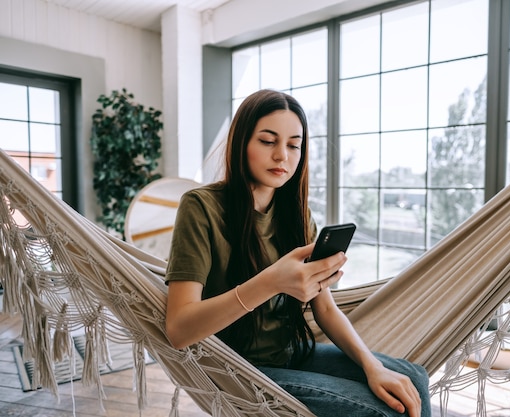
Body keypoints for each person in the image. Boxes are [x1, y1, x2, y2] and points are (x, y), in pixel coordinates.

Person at [164, 89, 431, 417]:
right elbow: (178, 329)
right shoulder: (201, 207)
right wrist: (271, 282)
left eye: (293, 145)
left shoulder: (297, 215)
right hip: (237, 369)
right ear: (241, 142)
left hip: (291, 353)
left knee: (414, 379)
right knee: (382, 410)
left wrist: (372, 366)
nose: (282, 156)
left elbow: (327, 310)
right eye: (267, 141)